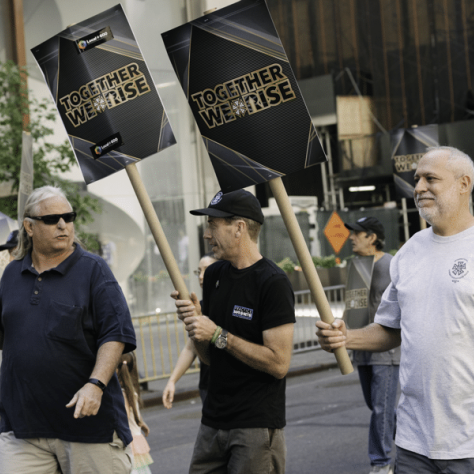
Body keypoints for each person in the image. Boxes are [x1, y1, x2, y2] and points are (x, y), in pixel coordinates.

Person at [316, 146, 474, 473]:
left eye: (431, 178)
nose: (418, 187)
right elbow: (390, 329)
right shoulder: (409, 253)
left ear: (464, 184)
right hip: (413, 443)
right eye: (416, 179)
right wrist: (347, 337)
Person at [0, 186, 136, 474]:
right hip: (23, 429)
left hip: (88, 428)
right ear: (29, 227)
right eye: (51, 219)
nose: (62, 224)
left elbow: (115, 334)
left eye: (68, 217)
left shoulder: (94, 269)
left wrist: (96, 384)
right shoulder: (11, 274)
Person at [172, 189, 295, 474]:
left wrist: (217, 334)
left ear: (239, 228)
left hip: (255, 426)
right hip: (212, 421)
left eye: (213, 225)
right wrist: (194, 324)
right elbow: (209, 358)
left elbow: (279, 364)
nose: (207, 234)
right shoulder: (215, 275)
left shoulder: (272, 282)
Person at [344, 216, 399, 474]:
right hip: (362, 349)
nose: (351, 237)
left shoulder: (392, 264)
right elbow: (353, 308)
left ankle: (381, 463)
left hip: (387, 351)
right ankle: (417, 442)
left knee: (381, 408)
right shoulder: (356, 266)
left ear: (372, 238)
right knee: (379, 407)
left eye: (357, 233)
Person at [163, 253, 217, 408]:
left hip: (230, 387)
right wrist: (172, 381)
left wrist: (215, 334)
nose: (201, 276)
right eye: (198, 271)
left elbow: (230, 342)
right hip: (207, 386)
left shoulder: (230, 304)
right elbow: (191, 347)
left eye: (206, 270)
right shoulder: (199, 305)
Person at [117, 352, 153, 474]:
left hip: (129, 442)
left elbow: (124, 418)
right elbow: (133, 414)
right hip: (136, 438)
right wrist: (141, 423)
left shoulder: (120, 395)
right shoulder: (132, 393)